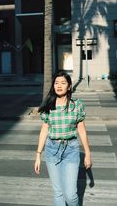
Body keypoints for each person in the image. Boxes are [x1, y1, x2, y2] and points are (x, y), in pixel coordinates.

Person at [34, 71, 92, 206]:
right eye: (56, 83)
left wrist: (87, 154)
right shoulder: (48, 106)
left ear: (69, 86)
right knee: (58, 193)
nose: (59, 86)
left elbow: (82, 130)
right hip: (51, 150)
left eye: (63, 83)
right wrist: (38, 155)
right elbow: (44, 130)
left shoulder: (77, 105)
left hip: (71, 150)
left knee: (70, 195)